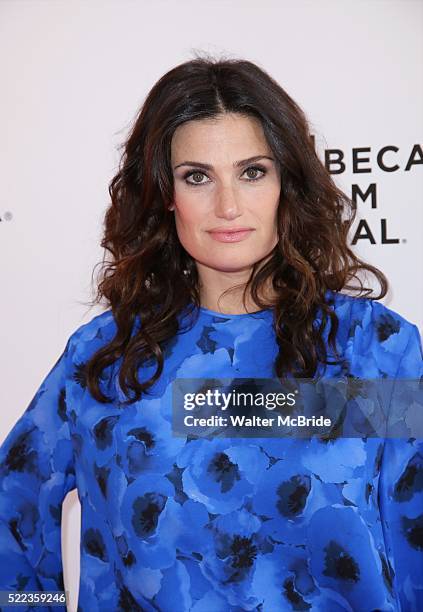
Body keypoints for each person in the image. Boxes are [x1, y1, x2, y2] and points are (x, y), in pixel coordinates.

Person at [0, 54, 422, 612]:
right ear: (164, 194)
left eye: (253, 172)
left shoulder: (375, 352)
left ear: (286, 185)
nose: (227, 205)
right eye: (197, 176)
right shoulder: (107, 359)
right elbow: (14, 518)